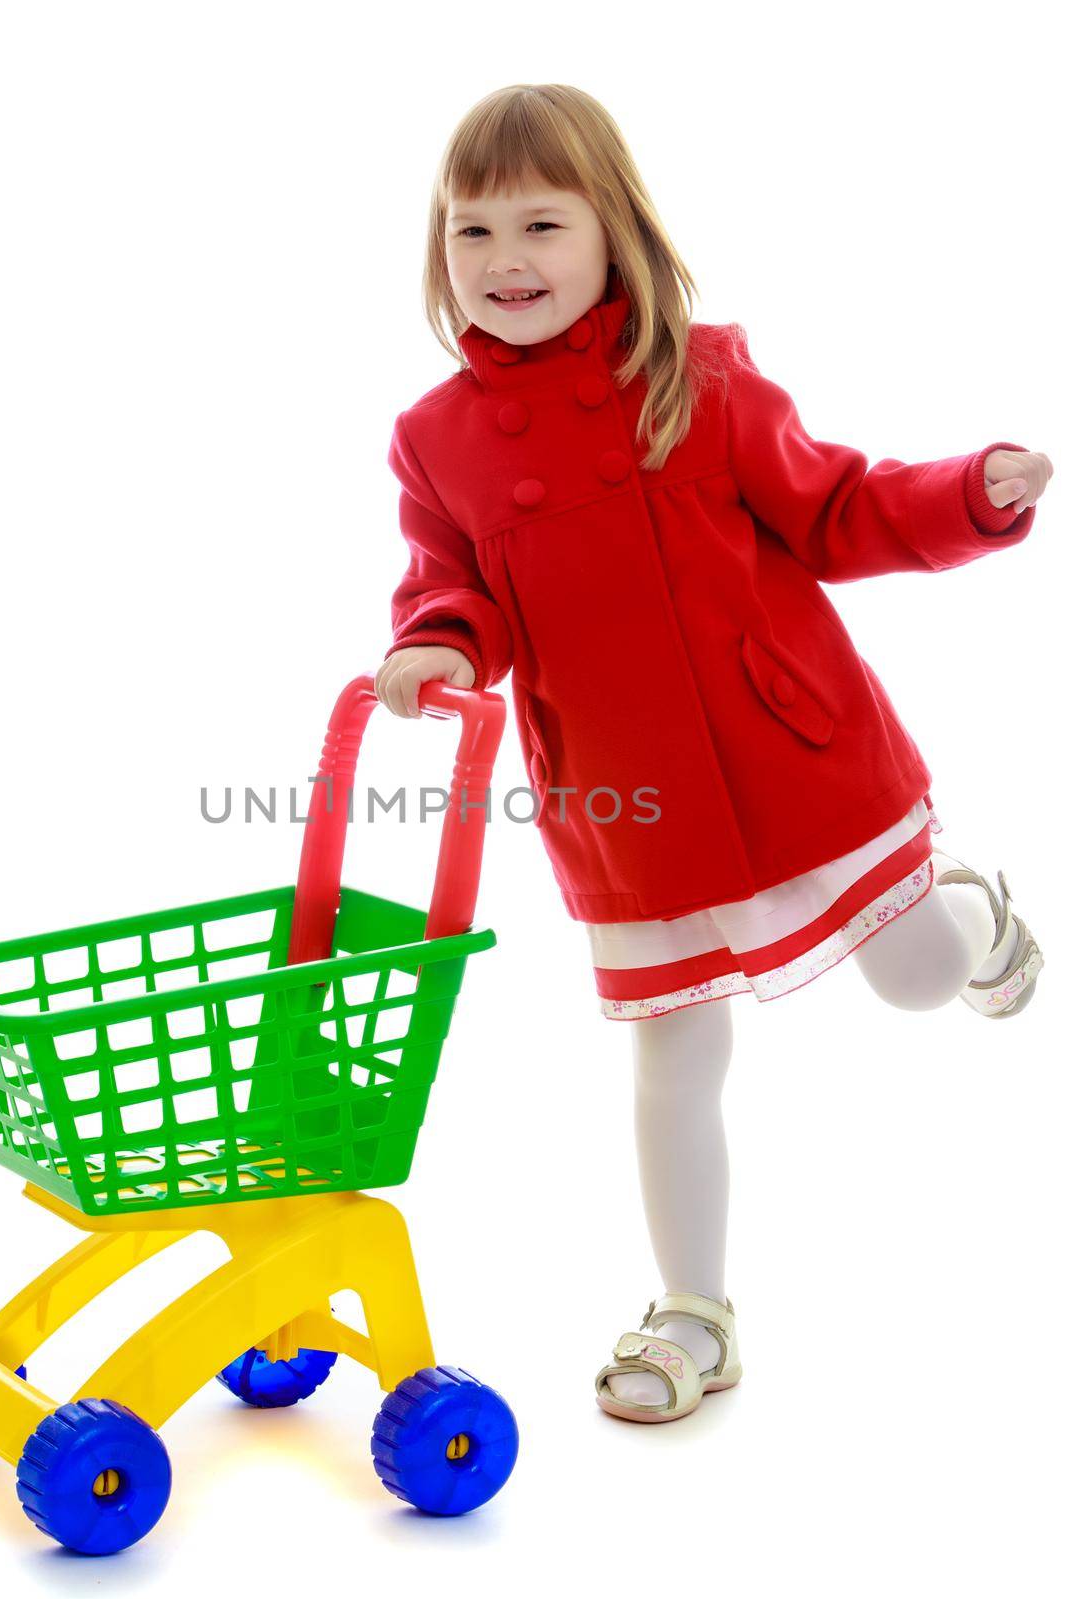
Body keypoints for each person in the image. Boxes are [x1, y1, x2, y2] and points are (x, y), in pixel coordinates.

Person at [373, 84, 1052, 1424]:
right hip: (632, 816)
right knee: (673, 1050)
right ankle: (696, 1312)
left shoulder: (703, 374)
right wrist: (440, 646)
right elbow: (446, 586)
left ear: (611, 233)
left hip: (799, 761)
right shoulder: (436, 440)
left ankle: (971, 914)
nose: (504, 261)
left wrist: (969, 494)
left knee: (917, 982)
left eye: (541, 225)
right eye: (472, 231)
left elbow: (843, 509)